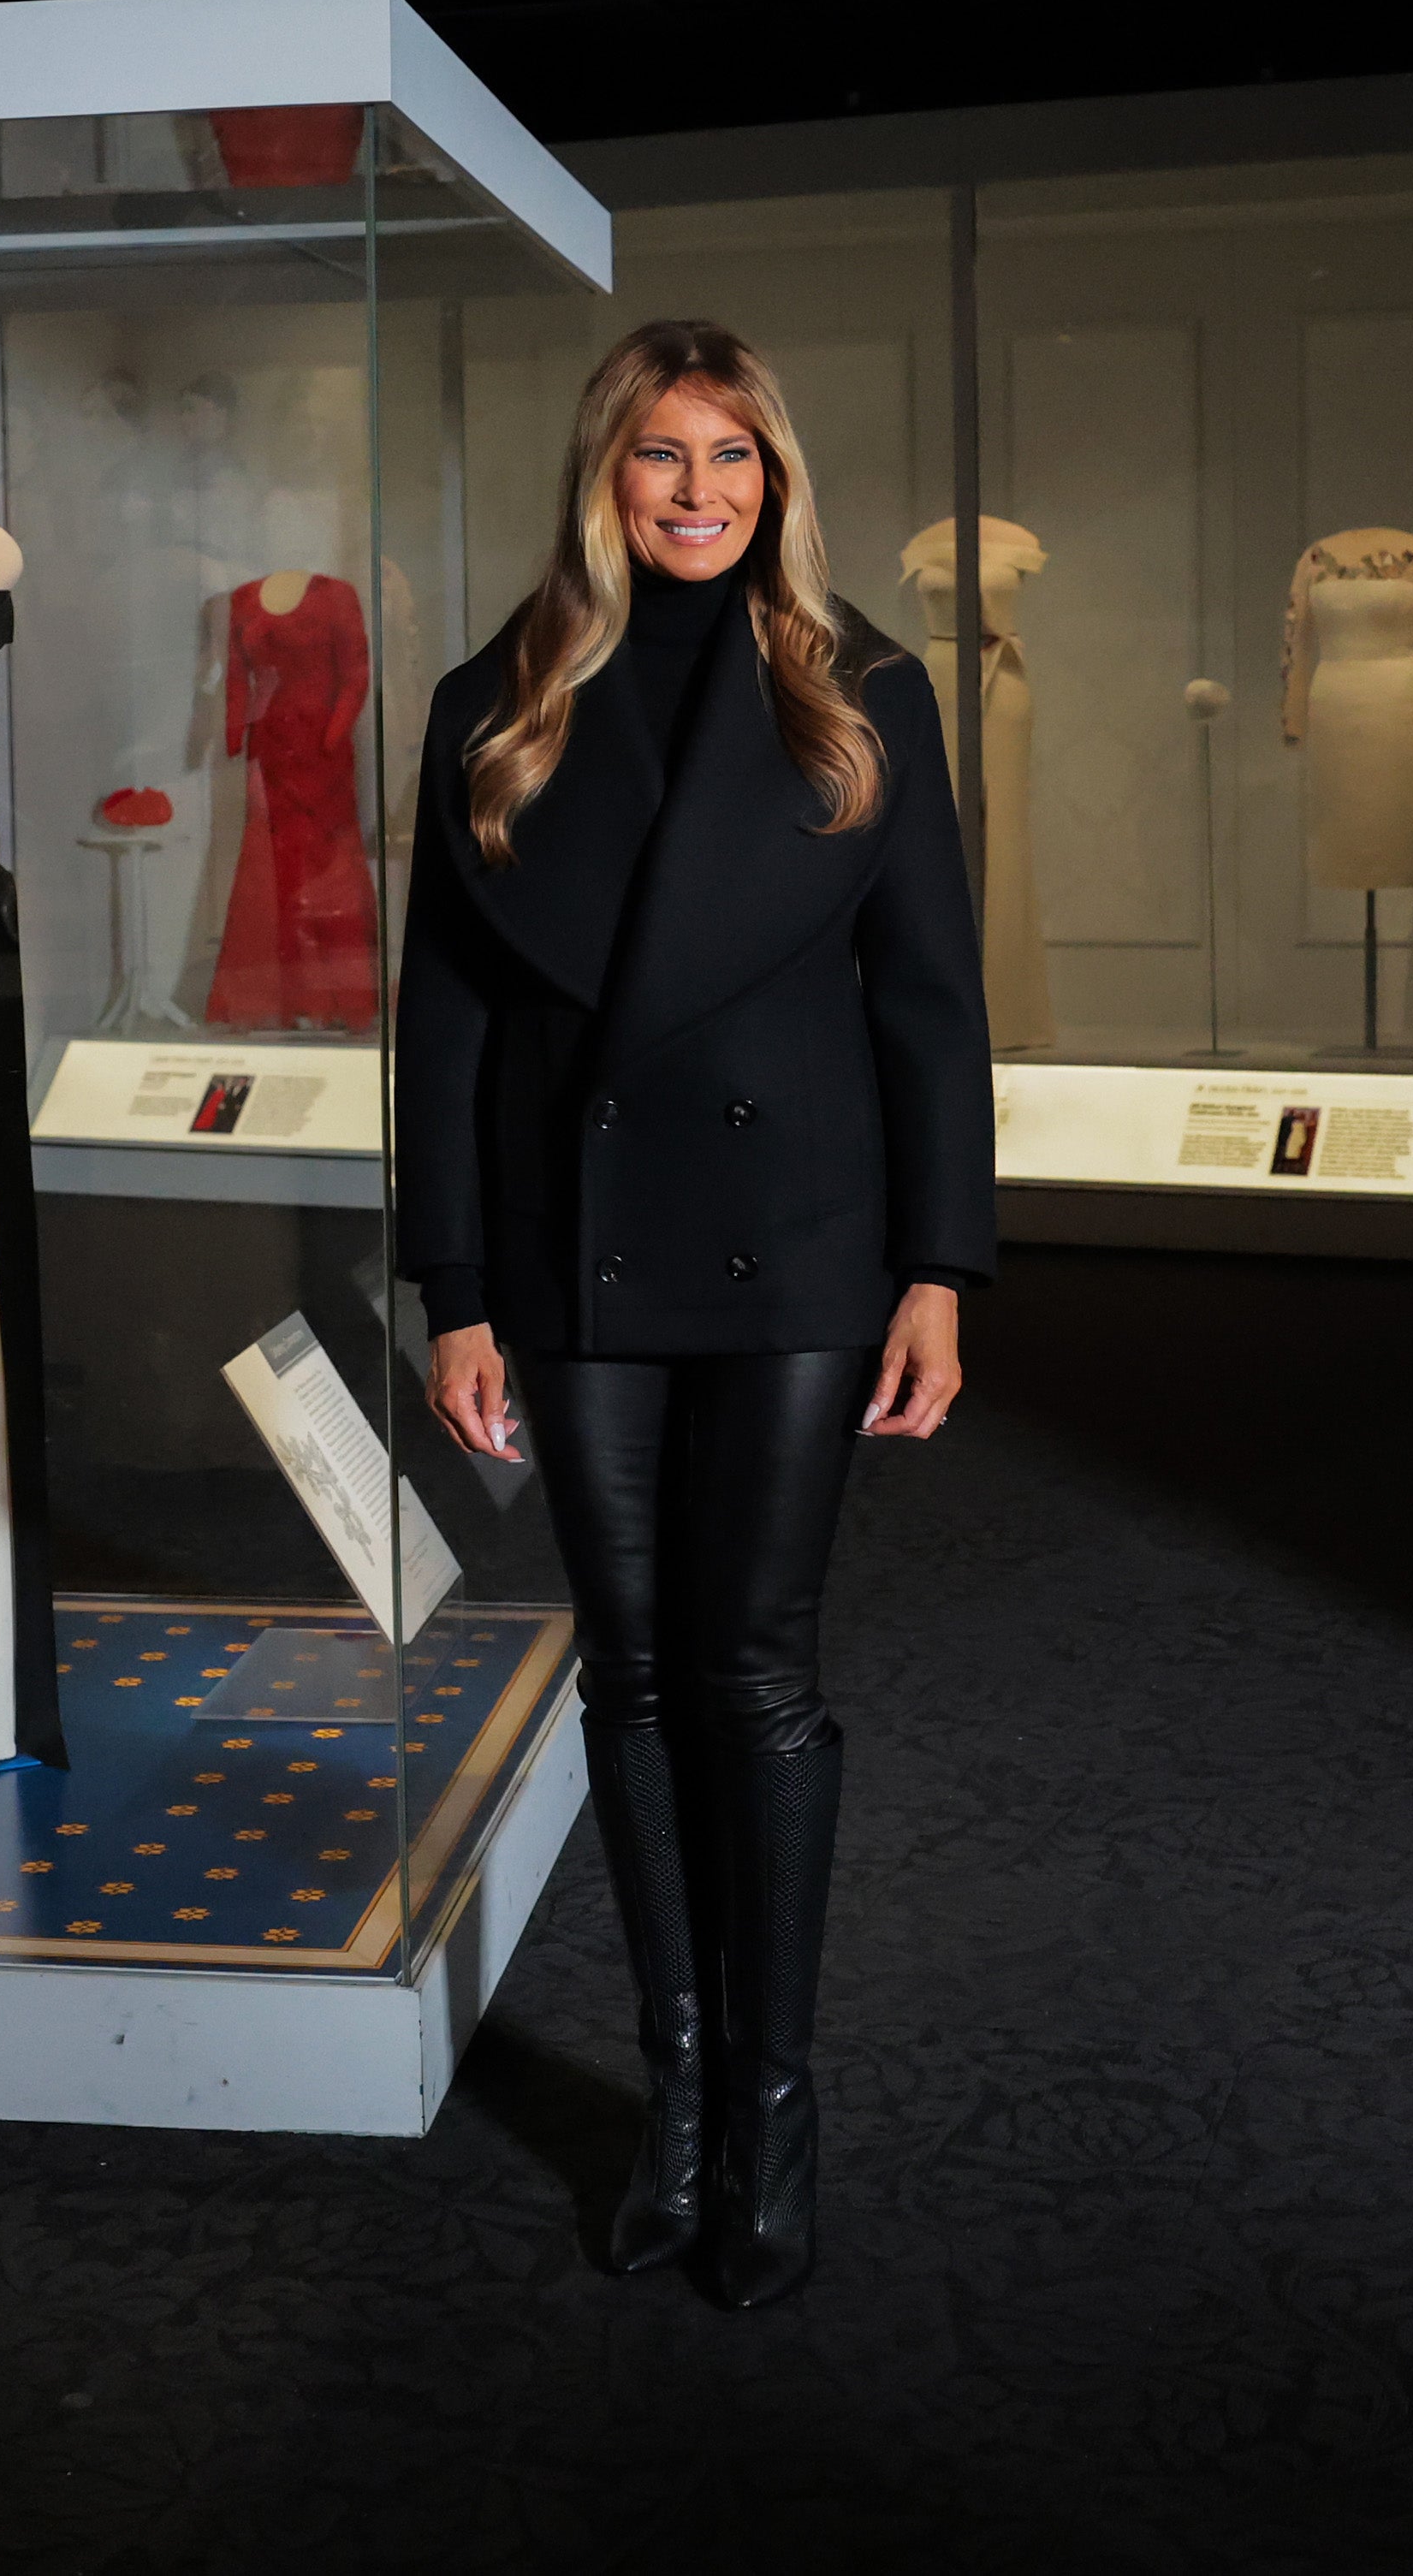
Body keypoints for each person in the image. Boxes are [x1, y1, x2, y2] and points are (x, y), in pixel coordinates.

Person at [399, 319, 994, 2309]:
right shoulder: (497, 702)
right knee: (629, 1678)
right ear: (606, 471)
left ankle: (776, 2104)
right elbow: (451, 1024)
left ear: (775, 480)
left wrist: (939, 1269)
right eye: (661, 455)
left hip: (800, 1238)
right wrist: (458, 1292)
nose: (696, 492)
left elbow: (927, 1003)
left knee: (749, 1669)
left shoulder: (858, 695)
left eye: (731, 458)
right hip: (572, 1252)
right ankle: (672, 2093)